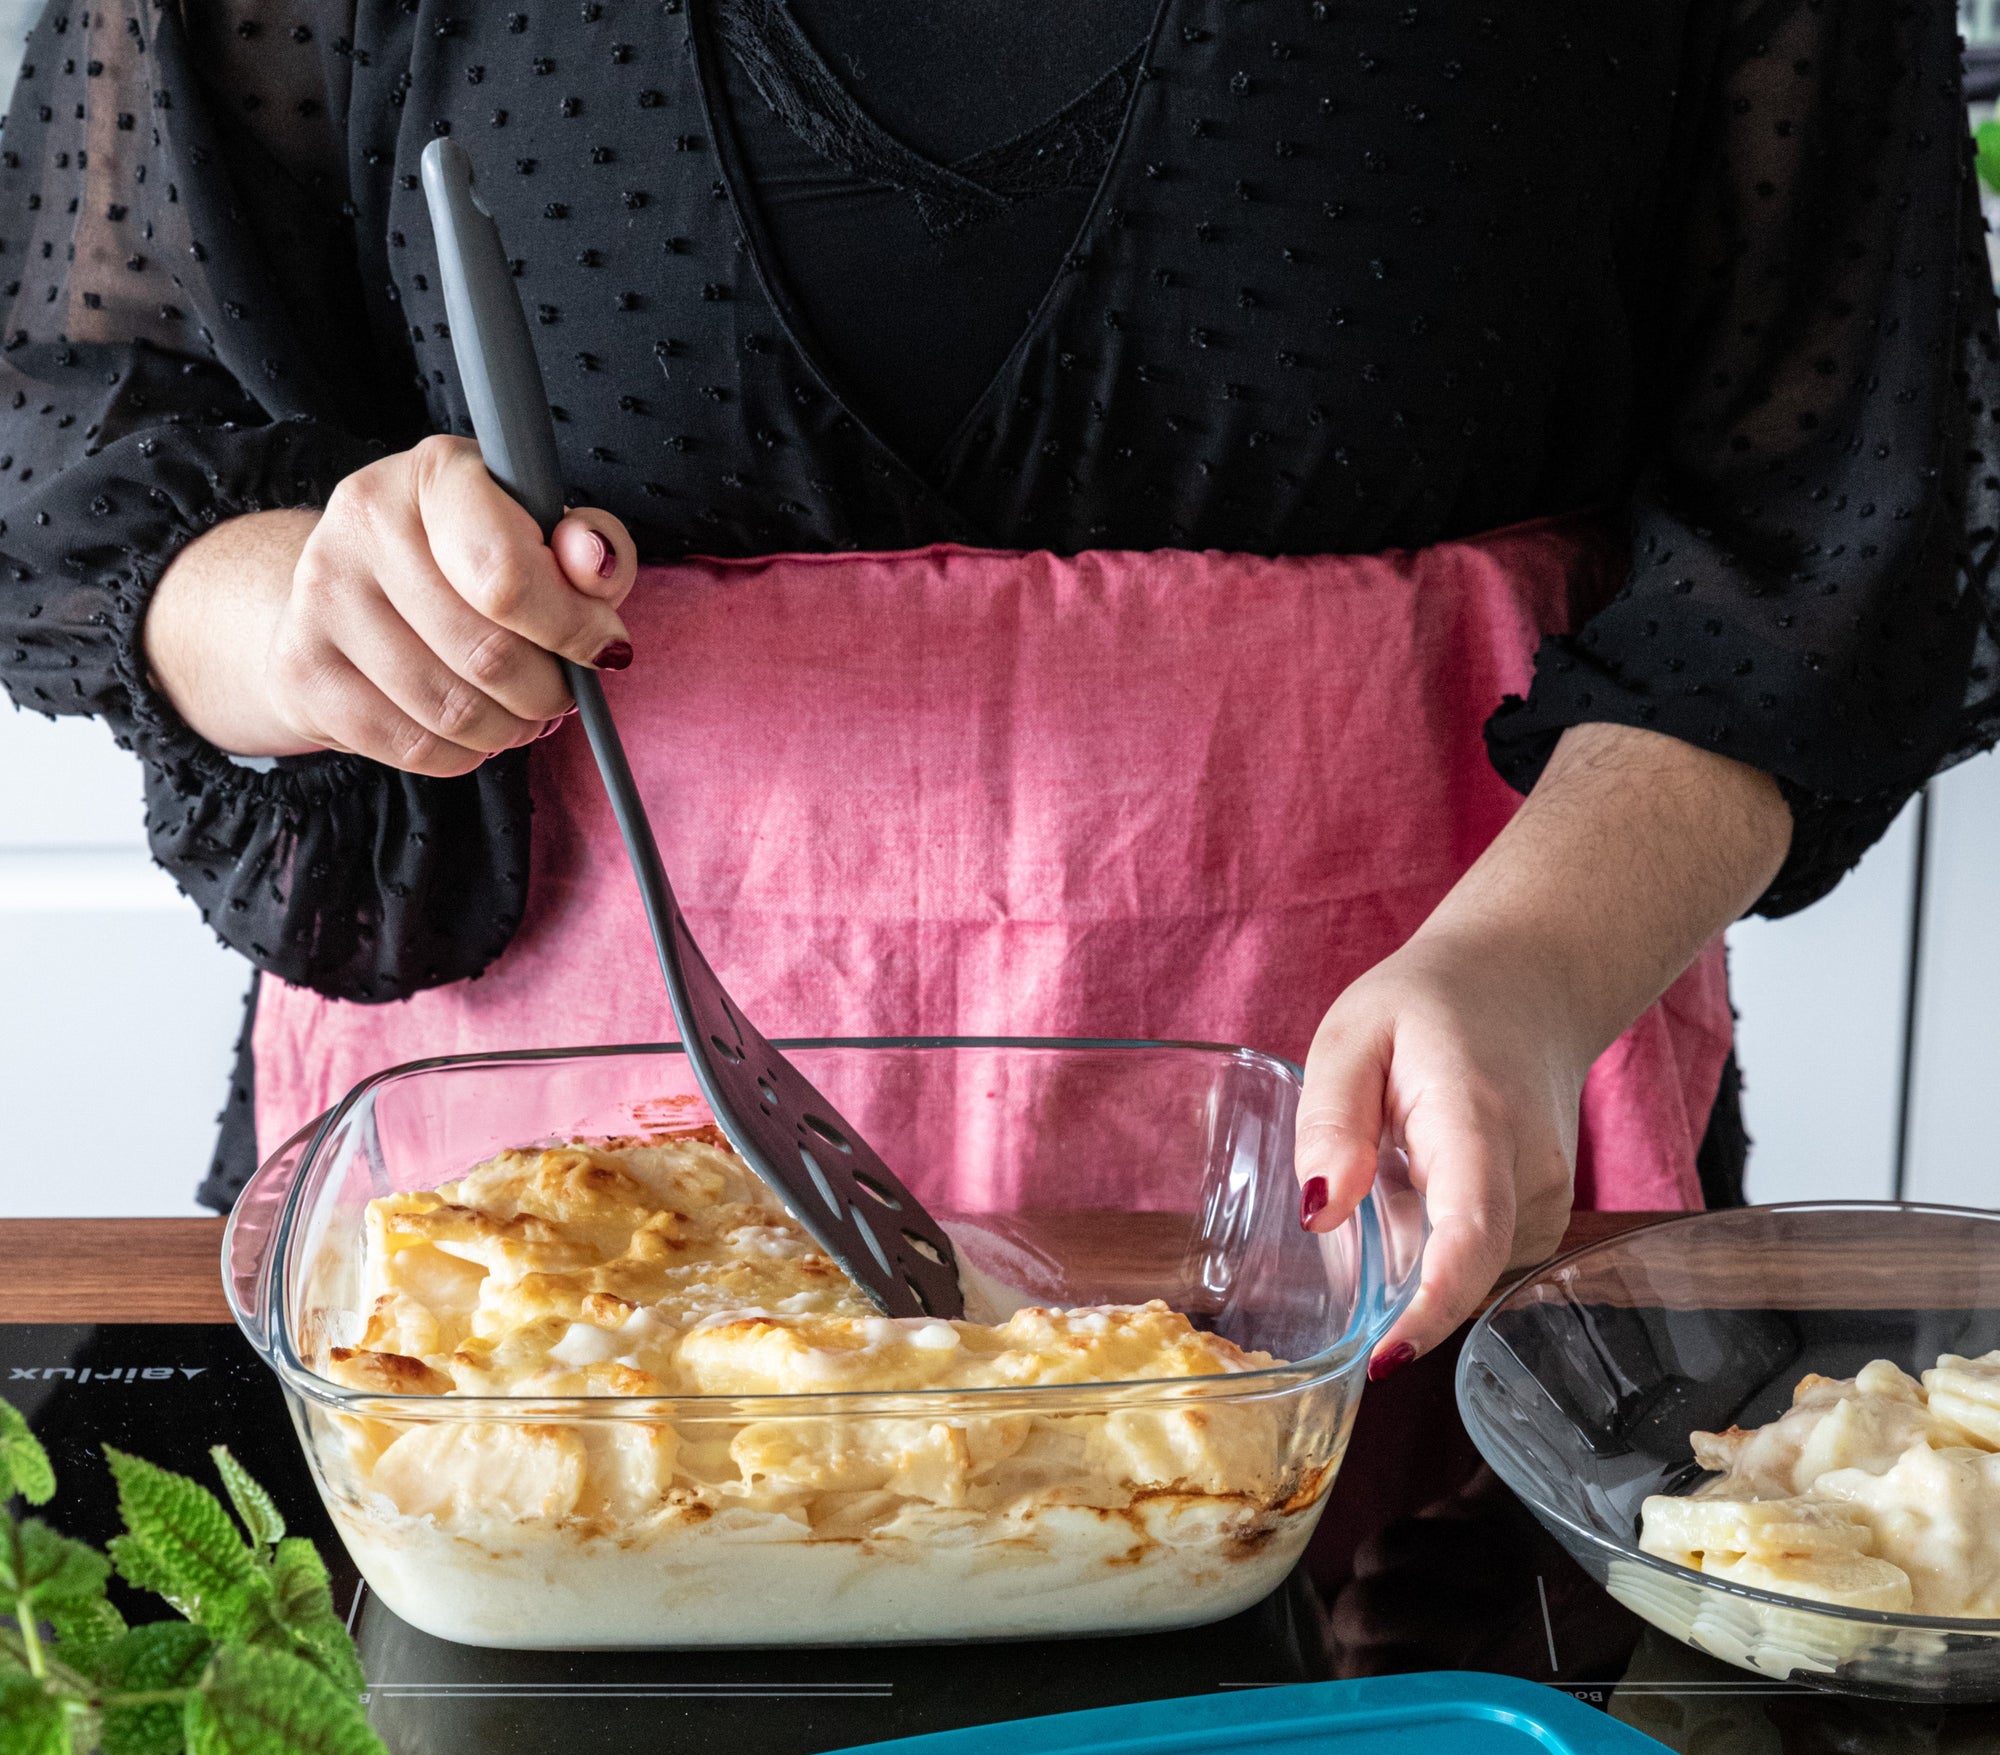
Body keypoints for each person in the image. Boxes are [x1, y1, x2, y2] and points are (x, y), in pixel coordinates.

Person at [1, 0, 1994, 1371]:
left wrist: (1541, 961)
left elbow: (1828, 530)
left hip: (1403, 1215)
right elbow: (81, 444)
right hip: (525, 1288)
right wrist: (310, 616)